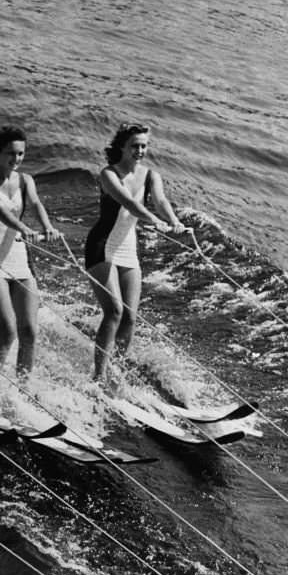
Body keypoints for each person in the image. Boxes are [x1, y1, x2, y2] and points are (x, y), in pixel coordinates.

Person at [84, 122, 186, 382]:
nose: (140, 151)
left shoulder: (151, 175)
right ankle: (98, 376)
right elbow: (129, 203)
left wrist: (173, 220)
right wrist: (153, 220)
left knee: (130, 317)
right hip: (101, 246)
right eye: (135, 146)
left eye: (144, 146)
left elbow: (161, 201)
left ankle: (117, 372)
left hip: (127, 246)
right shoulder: (109, 174)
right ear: (122, 147)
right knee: (114, 312)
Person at [0, 126, 61, 396]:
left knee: (29, 331)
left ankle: (22, 392)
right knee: (7, 331)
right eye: (11, 153)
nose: (16, 159)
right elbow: (1, 212)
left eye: (21, 153)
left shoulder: (25, 181)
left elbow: (35, 205)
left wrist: (47, 227)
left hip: (21, 259)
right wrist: (25, 229)